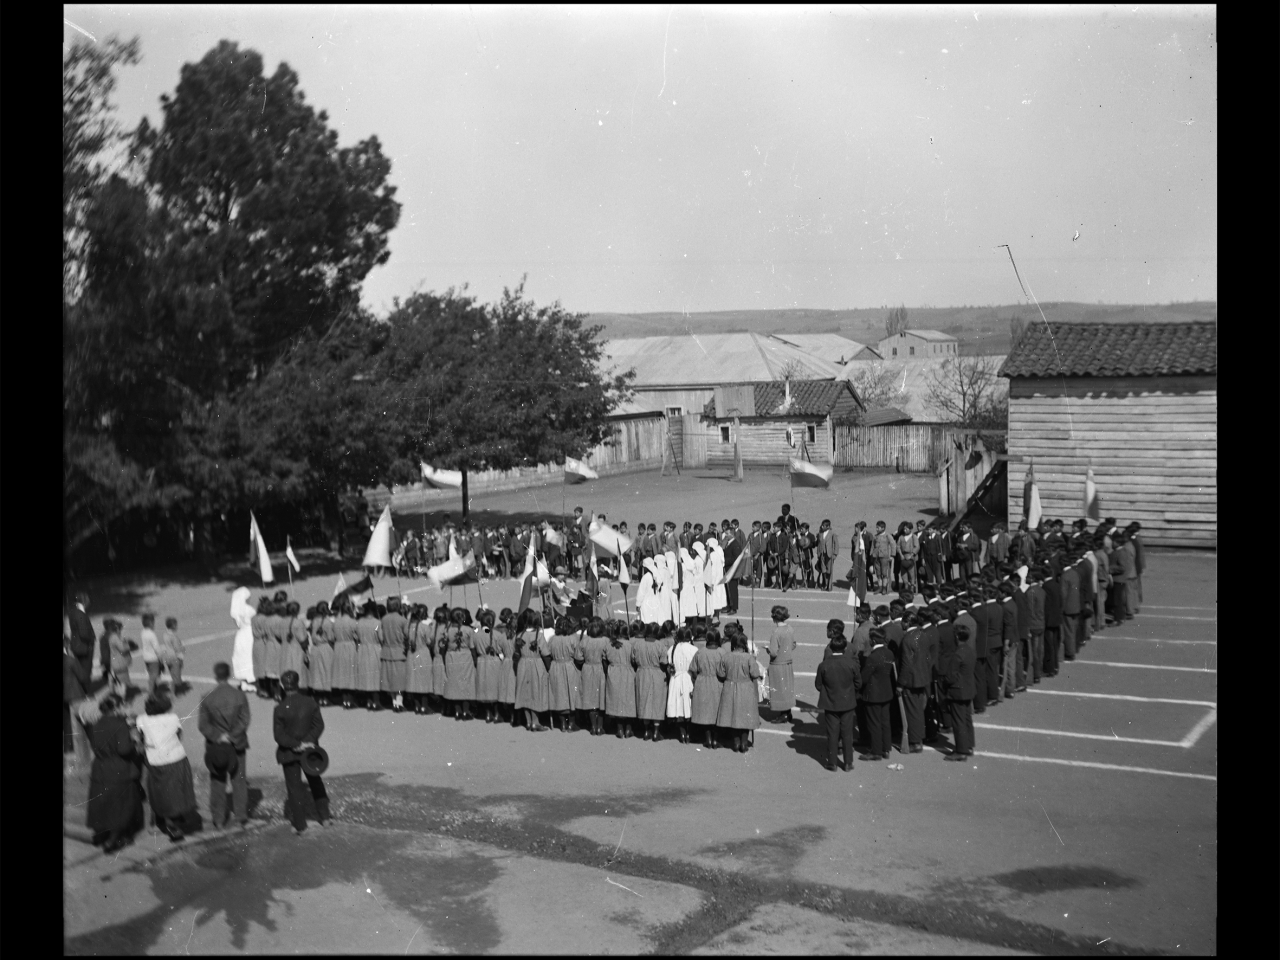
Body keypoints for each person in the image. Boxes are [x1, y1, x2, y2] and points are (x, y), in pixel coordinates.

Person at [273, 670, 330, 836]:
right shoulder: (310, 702)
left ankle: (300, 825)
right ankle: (325, 817)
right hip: (310, 752)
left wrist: (296, 744)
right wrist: (307, 742)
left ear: (283, 686)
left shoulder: (280, 708)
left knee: (294, 788)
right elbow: (318, 725)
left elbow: (279, 736)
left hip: (290, 753)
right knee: (316, 782)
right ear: (298, 683)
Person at [135, 692, 198, 842]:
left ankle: (163, 820)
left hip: (155, 760)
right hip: (176, 758)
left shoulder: (141, 719)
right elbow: (179, 735)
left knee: (160, 791)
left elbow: (140, 737)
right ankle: (174, 822)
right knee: (177, 790)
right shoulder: (173, 718)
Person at [86, 693, 145, 853]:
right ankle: (113, 840)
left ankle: (100, 835)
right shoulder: (120, 725)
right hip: (118, 769)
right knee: (120, 806)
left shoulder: (96, 723)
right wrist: (135, 743)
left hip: (100, 767)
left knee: (102, 802)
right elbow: (124, 750)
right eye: (123, 706)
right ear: (117, 707)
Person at [198, 662, 252, 830]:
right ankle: (241, 817)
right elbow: (245, 719)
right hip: (237, 744)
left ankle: (219, 819)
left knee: (218, 782)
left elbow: (203, 725)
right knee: (239, 780)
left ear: (216, 676)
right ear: (229, 675)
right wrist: (231, 736)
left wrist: (219, 736)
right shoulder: (239, 695)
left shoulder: (207, 697)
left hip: (216, 746)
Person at [815, 619, 860, 772]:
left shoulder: (826, 657)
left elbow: (818, 684)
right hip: (848, 700)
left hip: (831, 701)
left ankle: (832, 762)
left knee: (832, 733)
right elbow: (857, 680)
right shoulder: (852, 652)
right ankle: (848, 762)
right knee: (848, 733)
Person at [715, 630, 763, 753]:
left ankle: (736, 743)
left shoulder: (726, 657)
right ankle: (744, 743)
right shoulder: (749, 658)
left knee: (733, 715)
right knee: (745, 716)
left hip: (730, 687)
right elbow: (755, 674)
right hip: (746, 688)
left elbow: (720, 673)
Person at [858, 627, 895, 761]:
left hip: (873, 694)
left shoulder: (873, 657)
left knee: (874, 723)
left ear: (873, 640)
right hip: (886, 692)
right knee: (885, 722)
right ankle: (886, 748)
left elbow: (864, 678)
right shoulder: (889, 653)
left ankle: (876, 751)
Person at [941, 623, 977, 760]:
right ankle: (968, 745)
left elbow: (951, 676)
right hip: (968, 688)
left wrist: (945, 683)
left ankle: (961, 750)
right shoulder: (969, 650)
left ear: (956, 636)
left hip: (957, 691)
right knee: (967, 718)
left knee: (959, 721)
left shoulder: (958, 654)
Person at [633, 623, 668, 741]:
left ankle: (646, 730)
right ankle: (656, 732)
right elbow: (663, 662)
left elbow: (634, 659)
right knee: (657, 702)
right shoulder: (660, 645)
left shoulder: (638, 644)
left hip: (642, 674)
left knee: (644, 701)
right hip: (657, 673)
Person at [547, 617, 582, 731]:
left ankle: (562, 723)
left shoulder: (552, 639)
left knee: (559, 695)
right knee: (572, 695)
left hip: (556, 667)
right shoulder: (573, 638)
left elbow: (548, 653)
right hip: (569, 666)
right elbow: (577, 655)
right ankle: (571, 723)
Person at [443, 607, 478, 721]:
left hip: (451, 657)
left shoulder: (447, 630)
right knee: (466, 683)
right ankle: (465, 711)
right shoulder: (468, 630)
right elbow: (472, 647)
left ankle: (457, 711)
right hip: (465, 657)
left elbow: (443, 646)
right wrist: (475, 659)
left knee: (454, 684)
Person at [665, 626, 697, 743]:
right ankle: (689, 733)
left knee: (678, 706)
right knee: (688, 706)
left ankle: (682, 733)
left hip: (676, 679)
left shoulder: (672, 649)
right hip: (688, 678)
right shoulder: (693, 649)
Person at [578, 618, 609, 735]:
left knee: (590, 698)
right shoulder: (606, 641)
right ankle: (600, 726)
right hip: (601, 669)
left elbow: (578, 657)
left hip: (588, 669)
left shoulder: (584, 641)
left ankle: (593, 726)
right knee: (601, 698)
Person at [766, 605, 796, 723]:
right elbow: (793, 645)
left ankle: (783, 714)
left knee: (779, 690)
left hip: (778, 664)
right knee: (787, 689)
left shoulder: (776, 632)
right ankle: (787, 712)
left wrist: (768, 650)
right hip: (788, 663)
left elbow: (773, 652)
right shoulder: (790, 629)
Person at [379, 597, 410, 712]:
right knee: (399, 679)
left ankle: (394, 702)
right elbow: (407, 636)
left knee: (390, 679)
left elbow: (381, 637)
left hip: (387, 651)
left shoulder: (383, 619)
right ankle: (399, 702)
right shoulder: (403, 620)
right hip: (399, 652)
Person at [355, 601, 383, 710]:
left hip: (362, 649)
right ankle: (376, 701)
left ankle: (369, 701)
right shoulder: (377, 622)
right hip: (374, 648)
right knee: (374, 676)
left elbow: (356, 637)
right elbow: (381, 638)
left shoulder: (359, 622)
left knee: (365, 675)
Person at [67, 591, 97, 690]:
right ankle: (85, 692)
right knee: (86, 670)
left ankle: (80, 690)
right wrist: (92, 638)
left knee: (79, 669)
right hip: (84, 647)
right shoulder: (81, 615)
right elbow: (84, 633)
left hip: (76, 645)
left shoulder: (73, 612)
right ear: (84, 601)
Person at [160, 616, 186, 694]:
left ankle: (174, 688)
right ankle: (175, 690)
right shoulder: (174, 637)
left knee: (172, 673)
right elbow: (177, 648)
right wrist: (182, 648)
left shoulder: (165, 635)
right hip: (174, 657)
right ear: (174, 626)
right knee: (177, 676)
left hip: (168, 657)